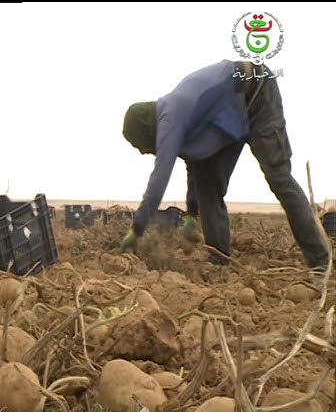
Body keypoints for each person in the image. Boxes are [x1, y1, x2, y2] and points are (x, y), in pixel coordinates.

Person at [120, 59, 329, 272]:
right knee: (208, 187)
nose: (142, 151)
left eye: (140, 145)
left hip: (257, 91)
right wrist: (192, 213)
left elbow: (159, 179)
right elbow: (195, 161)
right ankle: (219, 261)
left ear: (146, 129)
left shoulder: (170, 117)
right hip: (229, 113)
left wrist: (136, 230)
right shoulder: (176, 119)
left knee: (280, 179)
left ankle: (320, 262)